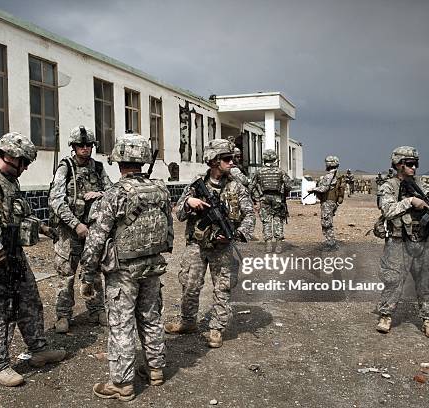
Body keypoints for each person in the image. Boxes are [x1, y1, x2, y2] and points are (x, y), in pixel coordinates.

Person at [0, 132, 65, 387]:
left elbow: (17, 215)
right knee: (2, 309)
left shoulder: (10, 182)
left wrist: (44, 229)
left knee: (29, 299)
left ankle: (38, 349)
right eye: (24, 162)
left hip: (13, 252)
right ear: (10, 156)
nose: (26, 168)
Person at [79, 133, 173, 401]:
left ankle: (122, 384)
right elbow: (168, 231)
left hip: (124, 270)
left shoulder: (115, 194)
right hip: (153, 265)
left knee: (121, 324)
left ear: (118, 159)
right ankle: (155, 369)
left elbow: (97, 238)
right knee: (151, 316)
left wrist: (87, 273)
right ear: (143, 160)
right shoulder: (161, 189)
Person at [165, 139, 255, 348]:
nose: (232, 162)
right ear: (214, 161)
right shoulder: (197, 185)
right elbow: (178, 214)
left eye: (233, 158)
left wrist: (238, 234)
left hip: (222, 248)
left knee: (222, 289)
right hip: (196, 246)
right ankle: (188, 322)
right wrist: (189, 202)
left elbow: (249, 214)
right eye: (227, 159)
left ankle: (216, 329)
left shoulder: (236, 187)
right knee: (190, 285)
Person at [48, 125, 112, 333]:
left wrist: (99, 194)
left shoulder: (99, 168)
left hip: (92, 230)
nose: (85, 148)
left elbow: (113, 193)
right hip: (69, 230)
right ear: (73, 147)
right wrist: (76, 224)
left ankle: (97, 310)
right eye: (80, 145)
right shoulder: (65, 167)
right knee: (65, 274)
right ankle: (63, 315)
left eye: (88, 145)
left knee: (92, 271)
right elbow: (55, 200)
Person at [375, 146, 429, 338]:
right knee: (393, 280)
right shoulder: (389, 186)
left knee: (425, 281)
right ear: (398, 165)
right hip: (398, 241)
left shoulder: (423, 186)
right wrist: (410, 201)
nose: (414, 168)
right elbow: (387, 210)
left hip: (421, 241)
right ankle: (386, 315)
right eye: (410, 164)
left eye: (416, 164)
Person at [250, 149, 292, 242]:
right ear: (275, 159)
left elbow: (251, 187)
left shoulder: (259, 172)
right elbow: (288, 186)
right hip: (278, 198)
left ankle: (268, 243)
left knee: (266, 220)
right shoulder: (280, 171)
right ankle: (278, 244)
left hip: (264, 198)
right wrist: (284, 193)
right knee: (277, 219)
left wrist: (255, 198)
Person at [308, 155, 342, 251]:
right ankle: (330, 242)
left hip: (328, 202)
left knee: (326, 223)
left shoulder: (329, 176)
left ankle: (331, 244)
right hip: (332, 202)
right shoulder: (336, 175)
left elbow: (324, 188)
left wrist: (313, 189)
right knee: (328, 222)